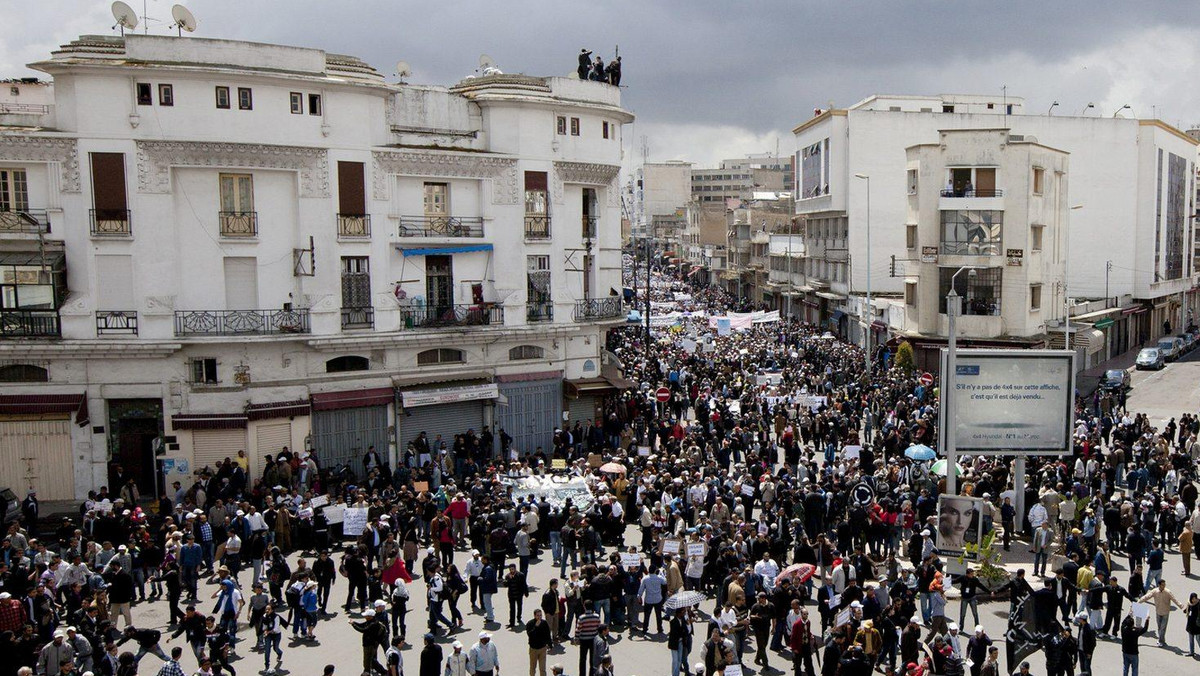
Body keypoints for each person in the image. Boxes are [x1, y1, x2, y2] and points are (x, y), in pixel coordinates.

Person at [1138, 579, 1183, 647]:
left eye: (1164, 584)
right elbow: (1147, 596)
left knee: (1162, 628)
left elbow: (1174, 599)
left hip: (1165, 612)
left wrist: (1181, 606)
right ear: (1159, 585)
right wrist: (1139, 601)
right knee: (1159, 628)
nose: (1164, 586)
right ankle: (1162, 640)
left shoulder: (1168, 592)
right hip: (1158, 612)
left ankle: (1160, 641)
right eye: (1162, 585)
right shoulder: (1155, 591)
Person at [526, 609, 551, 676]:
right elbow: (530, 635)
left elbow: (548, 634)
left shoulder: (544, 623)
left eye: (540, 615)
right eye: (538, 615)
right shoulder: (530, 624)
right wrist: (536, 627)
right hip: (533, 649)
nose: (539, 617)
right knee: (533, 668)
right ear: (534, 616)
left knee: (542, 668)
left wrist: (550, 644)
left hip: (542, 648)